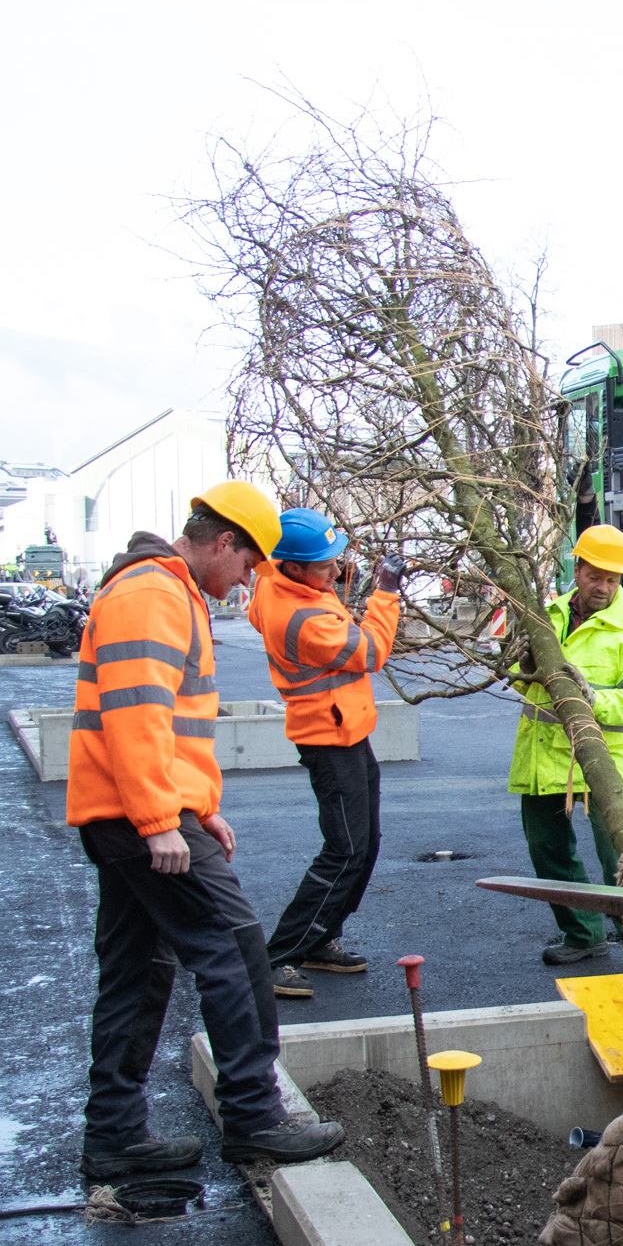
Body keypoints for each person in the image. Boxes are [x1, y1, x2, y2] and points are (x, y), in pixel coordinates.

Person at [66, 479, 342, 1179]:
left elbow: (165, 722)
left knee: (138, 969)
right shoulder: (153, 593)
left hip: (130, 811)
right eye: (248, 563)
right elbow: (136, 716)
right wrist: (163, 819)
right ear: (222, 542)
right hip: (138, 815)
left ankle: (115, 1134)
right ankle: (255, 1116)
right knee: (236, 947)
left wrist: (195, 805)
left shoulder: (160, 590)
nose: (249, 580)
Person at [246, 507, 404, 1000]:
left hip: (345, 730)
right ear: (294, 568)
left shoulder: (278, 580)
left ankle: (319, 938)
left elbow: (316, 585)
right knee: (346, 851)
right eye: (326, 566)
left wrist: (329, 569)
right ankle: (279, 955)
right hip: (328, 738)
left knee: (364, 844)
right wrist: (385, 593)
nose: (336, 572)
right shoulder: (303, 618)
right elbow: (372, 651)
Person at [510, 525, 623, 968]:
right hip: (544, 756)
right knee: (548, 851)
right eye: (595, 576)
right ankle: (583, 933)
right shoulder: (549, 617)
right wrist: (523, 668)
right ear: (576, 570)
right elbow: (525, 688)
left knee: (618, 861)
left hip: (603, 761)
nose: (603, 587)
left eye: (613, 579)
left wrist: (592, 699)